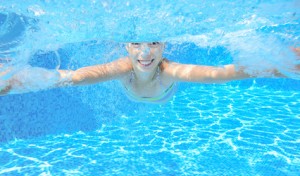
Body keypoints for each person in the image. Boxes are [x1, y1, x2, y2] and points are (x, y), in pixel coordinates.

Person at [0, 42, 299, 103]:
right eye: (137, 45)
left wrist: (278, 67)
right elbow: (74, 77)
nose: (145, 53)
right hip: (133, 91)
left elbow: (217, 74)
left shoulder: (168, 70)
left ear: (163, 45)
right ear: (127, 46)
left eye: (153, 44)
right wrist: (14, 81)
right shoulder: (122, 66)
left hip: (163, 96)